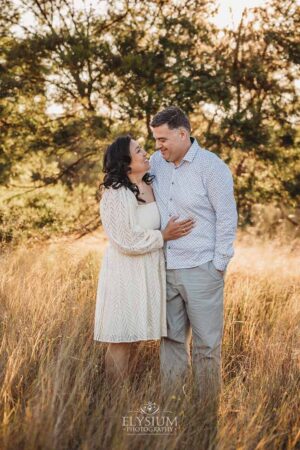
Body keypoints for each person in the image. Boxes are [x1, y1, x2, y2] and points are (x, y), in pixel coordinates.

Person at [150, 106, 238, 411]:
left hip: (202, 269)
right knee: (171, 342)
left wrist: (218, 266)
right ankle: (174, 409)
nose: (158, 146)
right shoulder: (155, 164)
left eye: (163, 139)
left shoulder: (212, 167)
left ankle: (204, 413)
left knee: (206, 347)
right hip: (166, 268)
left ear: (182, 134)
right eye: (155, 140)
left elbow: (227, 217)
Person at [94, 135, 195, 384]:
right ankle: (116, 399)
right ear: (126, 163)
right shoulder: (116, 193)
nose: (145, 153)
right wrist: (163, 236)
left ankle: (128, 392)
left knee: (135, 334)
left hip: (147, 271)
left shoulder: (151, 185)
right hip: (124, 274)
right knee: (121, 338)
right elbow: (125, 239)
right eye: (138, 150)